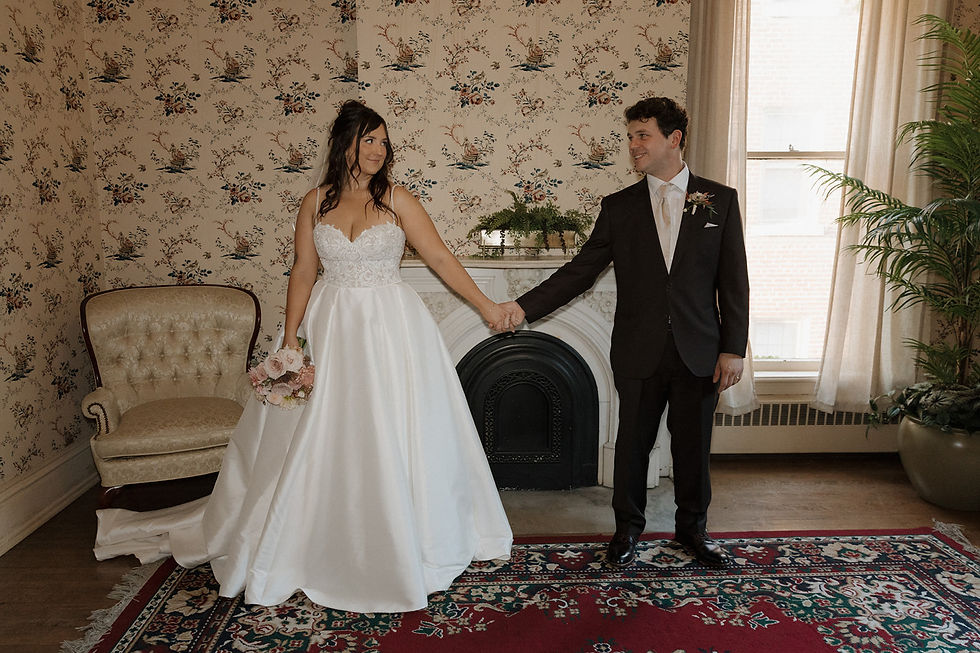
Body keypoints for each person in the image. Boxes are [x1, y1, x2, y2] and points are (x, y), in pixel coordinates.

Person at [99, 100, 520, 613]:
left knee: (393, 425)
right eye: (368, 140)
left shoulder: (398, 200)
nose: (377, 150)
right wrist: (291, 339)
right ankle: (311, 535)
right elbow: (303, 270)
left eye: (383, 142)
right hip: (330, 323)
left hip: (390, 328)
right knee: (318, 431)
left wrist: (487, 307)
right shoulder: (314, 201)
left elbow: (438, 257)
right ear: (344, 143)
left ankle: (401, 536)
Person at [500, 97, 749, 568]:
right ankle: (627, 533)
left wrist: (733, 348)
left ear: (674, 139)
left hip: (700, 350)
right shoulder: (619, 207)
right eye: (631, 136)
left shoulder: (721, 200)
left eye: (642, 135)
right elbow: (581, 271)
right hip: (638, 349)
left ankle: (693, 532)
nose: (633, 145)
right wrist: (521, 307)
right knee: (632, 445)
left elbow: (734, 280)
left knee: (693, 449)